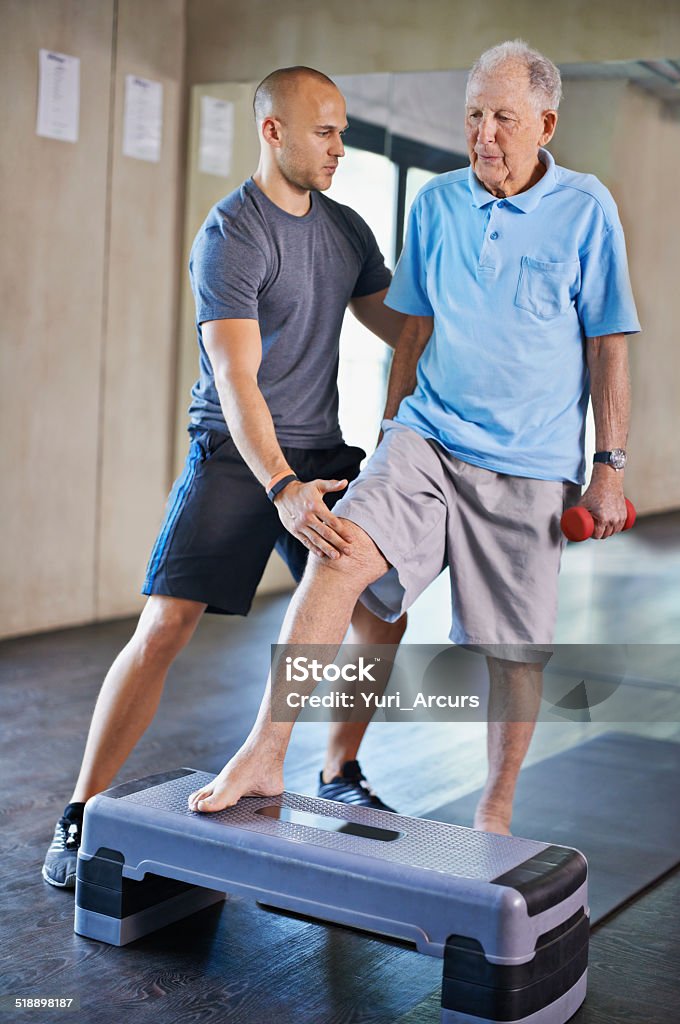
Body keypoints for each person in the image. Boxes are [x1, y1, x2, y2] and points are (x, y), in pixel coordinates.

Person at [185, 40, 641, 835]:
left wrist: (608, 467)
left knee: (514, 653)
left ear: (544, 123)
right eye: (473, 115)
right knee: (339, 556)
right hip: (427, 437)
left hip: (529, 464)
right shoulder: (433, 204)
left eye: (503, 117)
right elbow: (413, 331)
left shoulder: (586, 208)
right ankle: (265, 749)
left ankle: (494, 811)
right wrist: (393, 426)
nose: (484, 134)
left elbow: (607, 342)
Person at [42, 66, 408, 888]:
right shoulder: (232, 234)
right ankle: (80, 813)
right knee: (167, 624)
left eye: (342, 130)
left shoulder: (346, 231)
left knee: (383, 617)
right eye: (324, 131)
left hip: (323, 453)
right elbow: (236, 379)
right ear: (272, 131)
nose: (339, 147)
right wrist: (281, 486)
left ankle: (337, 772)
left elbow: (404, 326)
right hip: (240, 458)